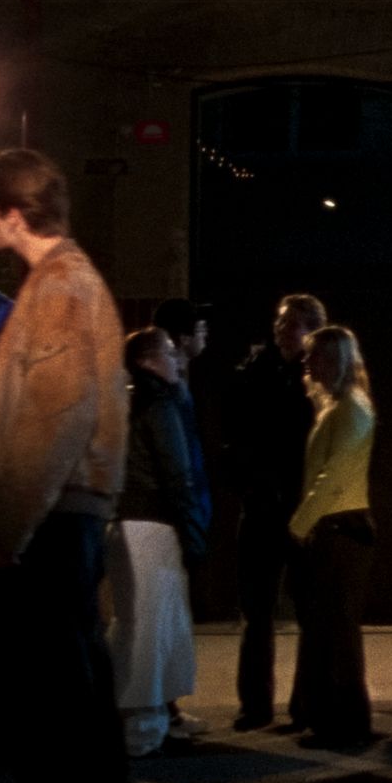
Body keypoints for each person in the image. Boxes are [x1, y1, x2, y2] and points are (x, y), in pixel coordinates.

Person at [0, 148, 131, 783]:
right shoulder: (63, 281)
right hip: (62, 515)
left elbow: (53, 419)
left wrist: (8, 530)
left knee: (60, 693)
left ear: (9, 213)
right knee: (72, 686)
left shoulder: (61, 285)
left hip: (54, 519)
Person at [224, 293, 325, 731]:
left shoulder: (320, 379)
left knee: (308, 610)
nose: (283, 332)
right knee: (257, 611)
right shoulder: (253, 372)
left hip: (302, 507)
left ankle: (305, 704)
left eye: (293, 325)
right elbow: (234, 434)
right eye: (281, 323)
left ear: (312, 331)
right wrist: (248, 483)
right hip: (263, 505)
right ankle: (255, 704)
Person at [108, 328, 208, 757]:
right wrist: (193, 530)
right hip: (153, 522)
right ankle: (142, 726)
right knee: (151, 625)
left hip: (123, 520)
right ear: (150, 358)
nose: (176, 360)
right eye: (169, 352)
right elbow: (176, 471)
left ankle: (147, 716)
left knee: (136, 619)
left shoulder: (121, 399)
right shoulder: (158, 402)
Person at [286, 326, 377, 747]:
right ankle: (329, 716)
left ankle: (346, 721)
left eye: (314, 357)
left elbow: (333, 477)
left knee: (337, 628)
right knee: (329, 627)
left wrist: (299, 524)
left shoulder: (350, 410)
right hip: (335, 527)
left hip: (341, 528)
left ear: (334, 360)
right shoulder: (339, 406)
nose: (306, 364)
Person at [150, 296, 212, 739]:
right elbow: (176, 462)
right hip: (162, 519)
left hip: (174, 514)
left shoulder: (177, 382)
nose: (206, 338)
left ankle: (167, 708)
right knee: (155, 619)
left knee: (167, 618)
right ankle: (157, 712)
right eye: (202, 330)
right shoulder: (163, 390)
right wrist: (190, 516)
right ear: (183, 337)